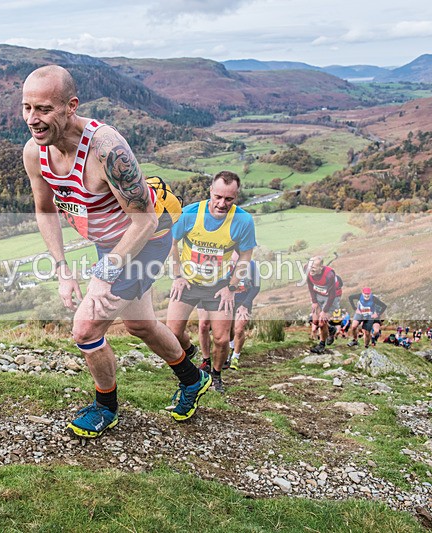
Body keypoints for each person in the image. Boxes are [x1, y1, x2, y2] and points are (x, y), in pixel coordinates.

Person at [21, 65, 210, 438]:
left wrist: (104, 273)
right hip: (110, 242)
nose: (32, 119)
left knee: (86, 327)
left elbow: (145, 222)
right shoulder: (34, 152)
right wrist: (62, 269)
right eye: (26, 108)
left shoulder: (106, 150)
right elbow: (45, 210)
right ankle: (192, 378)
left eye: (43, 109)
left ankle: (105, 408)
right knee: (140, 324)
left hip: (147, 238)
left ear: (70, 106)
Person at [166, 171, 257, 391]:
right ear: (210, 192)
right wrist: (177, 276)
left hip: (219, 286)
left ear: (236, 197)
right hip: (189, 281)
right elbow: (171, 242)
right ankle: (190, 351)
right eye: (217, 197)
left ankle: (215, 375)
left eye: (229, 199)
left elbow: (245, 256)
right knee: (172, 332)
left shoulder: (243, 220)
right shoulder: (189, 214)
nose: (221, 204)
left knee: (221, 339)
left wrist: (232, 288)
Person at [199, 255, 260, 371]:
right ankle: (227, 353)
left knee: (239, 328)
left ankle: (235, 356)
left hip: (242, 301)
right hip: (225, 300)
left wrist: (245, 304)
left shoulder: (251, 264)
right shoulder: (223, 262)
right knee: (227, 331)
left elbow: (256, 287)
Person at [306, 256, 341, 354]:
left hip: (332, 297)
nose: (311, 268)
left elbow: (332, 295)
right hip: (319, 295)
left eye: (314, 266)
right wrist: (314, 302)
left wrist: (325, 311)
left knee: (322, 322)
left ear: (321, 268)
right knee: (315, 321)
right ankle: (331, 329)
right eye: (310, 265)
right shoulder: (307, 270)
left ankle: (321, 345)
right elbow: (310, 284)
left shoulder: (329, 276)